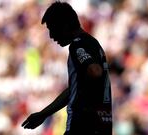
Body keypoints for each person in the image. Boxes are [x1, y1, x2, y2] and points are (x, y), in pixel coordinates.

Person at [21, 1, 112, 135]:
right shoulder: (93, 43)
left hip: (82, 126)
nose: (51, 36)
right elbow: (74, 90)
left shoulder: (77, 46)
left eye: (52, 29)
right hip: (101, 126)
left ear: (65, 25)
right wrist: (43, 114)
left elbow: (95, 71)